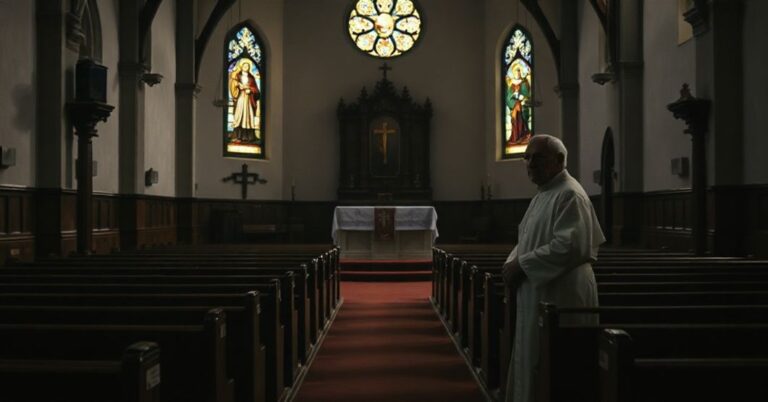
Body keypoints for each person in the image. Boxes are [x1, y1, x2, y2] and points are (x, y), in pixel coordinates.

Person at [502, 134, 605, 402]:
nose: (530, 163)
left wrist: (521, 265)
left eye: (538, 157)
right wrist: (511, 264)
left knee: (554, 366)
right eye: (527, 157)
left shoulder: (570, 194)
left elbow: (570, 247)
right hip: (542, 291)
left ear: (559, 160)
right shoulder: (546, 193)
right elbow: (527, 239)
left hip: (560, 294)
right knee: (537, 360)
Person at [229, 60, 260, 143]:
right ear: (241, 66)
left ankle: (249, 137)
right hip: (240, 97)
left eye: (247, 66)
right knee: (239, 114)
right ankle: (238, 136)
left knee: (248, 116)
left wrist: (250, 90)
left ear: (249, 67)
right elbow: (233, 84)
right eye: (244, 66)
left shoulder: (251, 78)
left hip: (249, 99)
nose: (245, 67)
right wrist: (238, 85)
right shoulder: (237, 76)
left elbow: (257, 91)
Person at [505, 63, 531, 146]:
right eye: (516, 72)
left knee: (522, 118)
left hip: (522, 106)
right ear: (513, 73)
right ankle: (516, 137)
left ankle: (524, 135)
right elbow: (508, 98)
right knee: (515, 118)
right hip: (515, 107)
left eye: (519, 71)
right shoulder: (511, 85)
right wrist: (515, 101)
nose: (518, 73)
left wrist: (522, 97)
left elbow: (527, 94)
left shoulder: (524, 83)